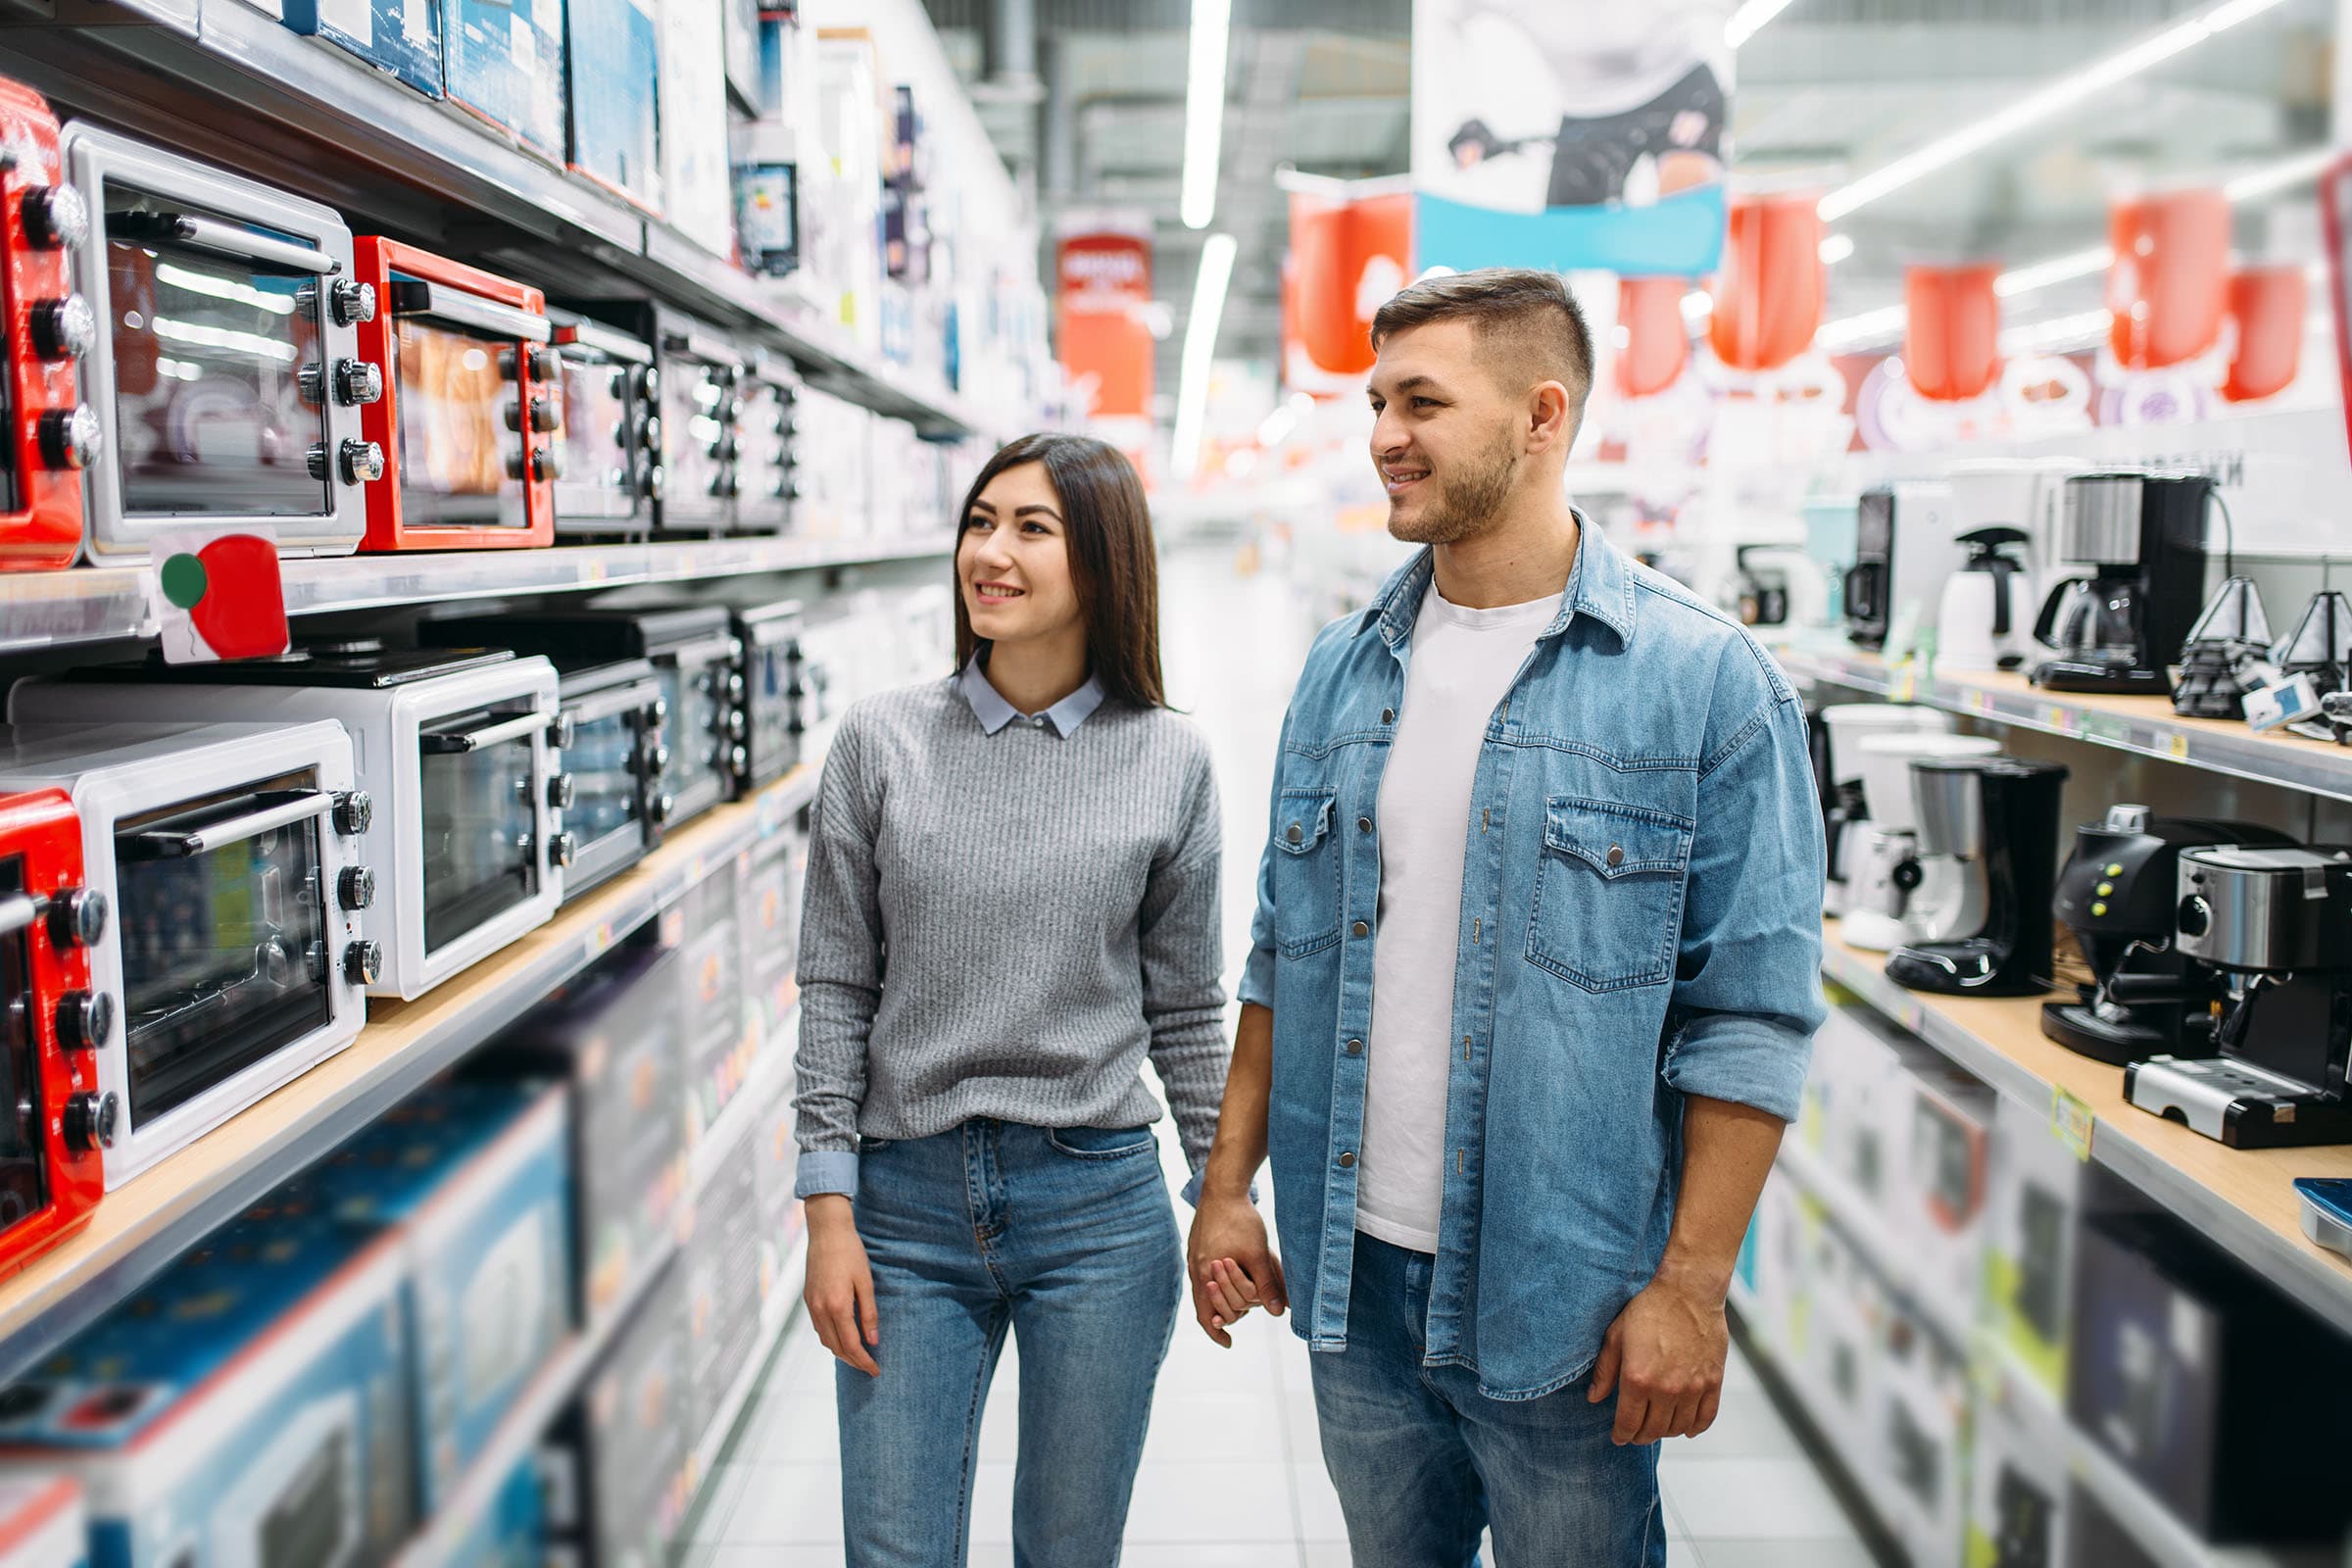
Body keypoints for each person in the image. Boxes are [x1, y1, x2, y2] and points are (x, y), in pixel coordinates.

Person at [1187, 269, 1827, 1566]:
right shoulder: (1342, 668)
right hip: (1351, 1289)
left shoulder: (1704, 685)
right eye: (1377, 401)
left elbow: (1750, 1020)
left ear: (1543, 417)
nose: (1382, 435)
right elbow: (1281, 954)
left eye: (1423, 401)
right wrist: (1223, 1189)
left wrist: (1692, 1289)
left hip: (1568, 1307)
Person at [793, 432, 1230, 1566]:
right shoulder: (879, 742)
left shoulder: (1169, 760)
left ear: (1104, 561)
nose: (990, 551)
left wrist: (1222, 1187)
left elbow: (1187, 1008)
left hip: (1097, 1207)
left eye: (1032, 528)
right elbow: (838, 983)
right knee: (895, 1549)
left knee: (1068, 1549)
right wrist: (827, 1210)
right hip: (905, 1208)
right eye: (981, 522)